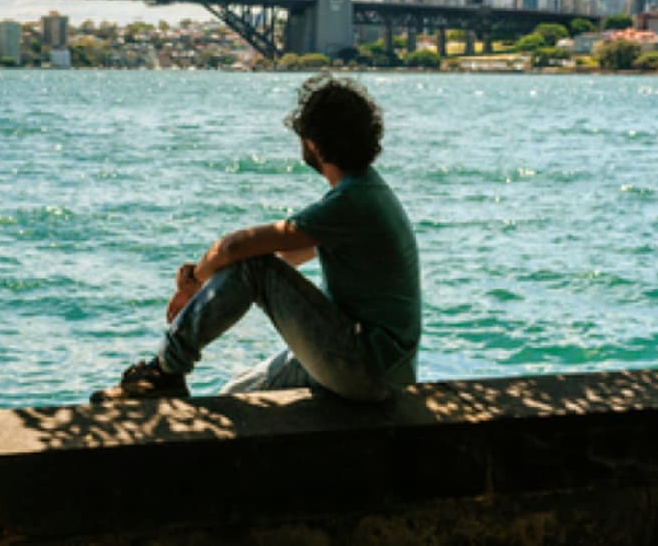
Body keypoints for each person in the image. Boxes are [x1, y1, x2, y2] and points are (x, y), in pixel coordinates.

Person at [92, 74, 419, 404]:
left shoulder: (352, 202)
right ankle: (168, 375)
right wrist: (215, 281)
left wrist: (194, 282)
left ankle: (165, 372)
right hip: (381, 369)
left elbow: (239, 248)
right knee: (234, 395)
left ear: (312, 144)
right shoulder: (366, 193)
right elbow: (285, 261)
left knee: (252, 264)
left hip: (365, 369)